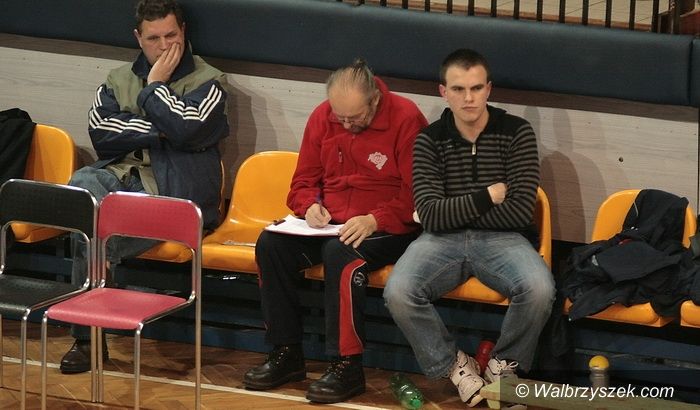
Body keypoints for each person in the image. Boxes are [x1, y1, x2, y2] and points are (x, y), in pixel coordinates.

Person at [59, 0, 229, 374]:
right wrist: (161, 130)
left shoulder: (210, 81)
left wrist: (154, 87)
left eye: (171, 36)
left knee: (90, 239)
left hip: (174, 193)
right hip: (120, 178)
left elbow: (188, 126)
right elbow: (102, 133)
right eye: (154, 38)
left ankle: (87, 338)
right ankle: (94, 326)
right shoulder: (117, 78)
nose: (164, 46)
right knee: (81, 187)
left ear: (183, 32)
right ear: (138, 38)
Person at [243, 59, 427, 403]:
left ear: (374, 100)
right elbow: (302, 182)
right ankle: (286, 353)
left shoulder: (406, 118)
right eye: (340, 117)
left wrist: (375, 219)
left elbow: (417, 195)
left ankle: (347, 365)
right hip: (330, 225)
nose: (346, 124)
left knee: (340, 253)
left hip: (387, 227)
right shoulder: (322, 116)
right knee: (270, 244)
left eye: (354, 118)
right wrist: (309, 205)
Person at [383, 48, 555, 407]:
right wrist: (486, 197)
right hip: (439, 240)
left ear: (489, 89)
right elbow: (430, 216)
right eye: (459, 89)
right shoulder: (429, 140)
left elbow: (518, 213)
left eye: (476, 88)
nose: (469, 98)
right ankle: (454, 365)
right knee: (398, 291)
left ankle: (502, 364)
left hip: (504, 239)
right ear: (443, 92)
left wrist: (453, 209)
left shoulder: (517, 132)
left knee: (540, 289)